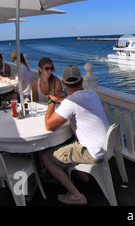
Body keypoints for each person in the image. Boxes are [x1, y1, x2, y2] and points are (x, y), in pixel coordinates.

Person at [41, 65, 109, 205]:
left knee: (46, 157)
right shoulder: (92, 94)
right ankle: (81, 175)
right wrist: (64, 100)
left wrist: (52, 101)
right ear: (82, 80)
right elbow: (76, 103)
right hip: (106, 147)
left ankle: (75, 194)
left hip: (92, 152)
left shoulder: (70, 103)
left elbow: (49, 125)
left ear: (64, 83)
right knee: (72, 140)